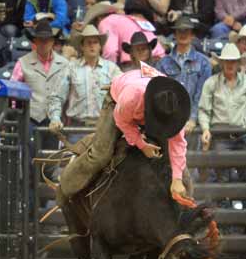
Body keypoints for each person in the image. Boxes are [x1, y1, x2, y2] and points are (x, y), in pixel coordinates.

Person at [56, 63, 191, 205]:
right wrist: (142, 144)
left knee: (182, 173)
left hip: (142, 99)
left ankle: (185, 214)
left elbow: (178, 143)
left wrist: (177, 180)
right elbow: (122, 121)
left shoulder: (174, 109)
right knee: (100, 154)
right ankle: (65, 188)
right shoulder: (132, 97)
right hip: (117, 101)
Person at [198, 43, 246, 183]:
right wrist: (205, 129)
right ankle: (224, 204)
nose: (230, 64)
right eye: (227, 61)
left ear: (238, 63)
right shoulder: (211, 83)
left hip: (243, 133)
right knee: (222, 177)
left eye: (233, 61)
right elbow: (204, 109)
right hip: (221, 135)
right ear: (222, 63)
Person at [48, 24, 122, 143]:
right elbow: (57, 96)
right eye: (88, 42)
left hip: (104, 128)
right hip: (77, 129)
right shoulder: (71, 68)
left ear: (100, 46)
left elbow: (124, 94)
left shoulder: (112, 69)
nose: (92, 45)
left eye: (95, 42)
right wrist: (55, 118)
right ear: (82, 46)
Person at [11, 20, 69, 150]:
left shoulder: (64, 63)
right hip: (30, 118)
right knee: (30, 157)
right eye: (40, 40)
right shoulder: (23, 62)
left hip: (56, 119)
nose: (43, 43)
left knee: (52, 157)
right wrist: (18, 114)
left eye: (47, 40)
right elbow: (13, 91)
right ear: (35, 42)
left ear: (53, 42)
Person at [157, 16, 212, 137]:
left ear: (192, 35)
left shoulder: (204, 62)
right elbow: (160, 93)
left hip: (194, 124)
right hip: (169, 122)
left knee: (193, 155)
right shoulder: (162, 63)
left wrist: (193, 118)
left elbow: (202, 94)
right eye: (179, 31)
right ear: (174, 35)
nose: (183, 34)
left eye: (186, 31)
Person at [83, 0, 166, 65]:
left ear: (99, 18)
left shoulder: (105, 22)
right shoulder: (129, 19)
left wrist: (108, 72)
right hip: (160, 59)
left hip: (137, 62)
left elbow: (110, 52)